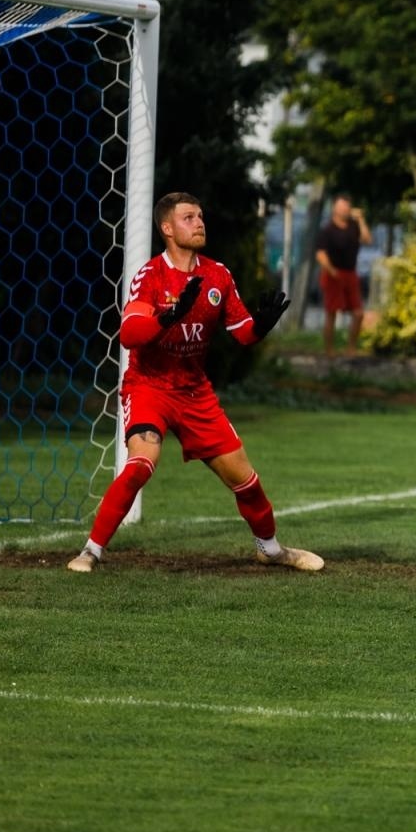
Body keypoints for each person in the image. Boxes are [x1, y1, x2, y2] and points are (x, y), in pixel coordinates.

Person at [67, 192, 319, 573]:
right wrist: (167, 318)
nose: (199, 222)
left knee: (246, 481)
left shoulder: (217, 275)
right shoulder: (150, 276)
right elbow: (130, 333)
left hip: (195, 393)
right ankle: (90, 551)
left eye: (200, 215)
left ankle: (270, 549)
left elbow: (243, 333)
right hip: (149, 386)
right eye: (188, 217)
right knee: (141, 463)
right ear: (167, 228)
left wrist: (262, 326)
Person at [315, 196, 372, 357]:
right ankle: (329, 350)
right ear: (335, 209)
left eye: (347, 208)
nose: (345, 211)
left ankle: (351, 347)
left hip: (351, 273)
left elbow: (367, 239)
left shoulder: (354, 226)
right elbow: (320, 254)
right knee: (331, 313)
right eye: (342, 208)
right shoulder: (328, 230)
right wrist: (331, 270)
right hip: (333, 273)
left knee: (358, 313)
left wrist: (361, 220)